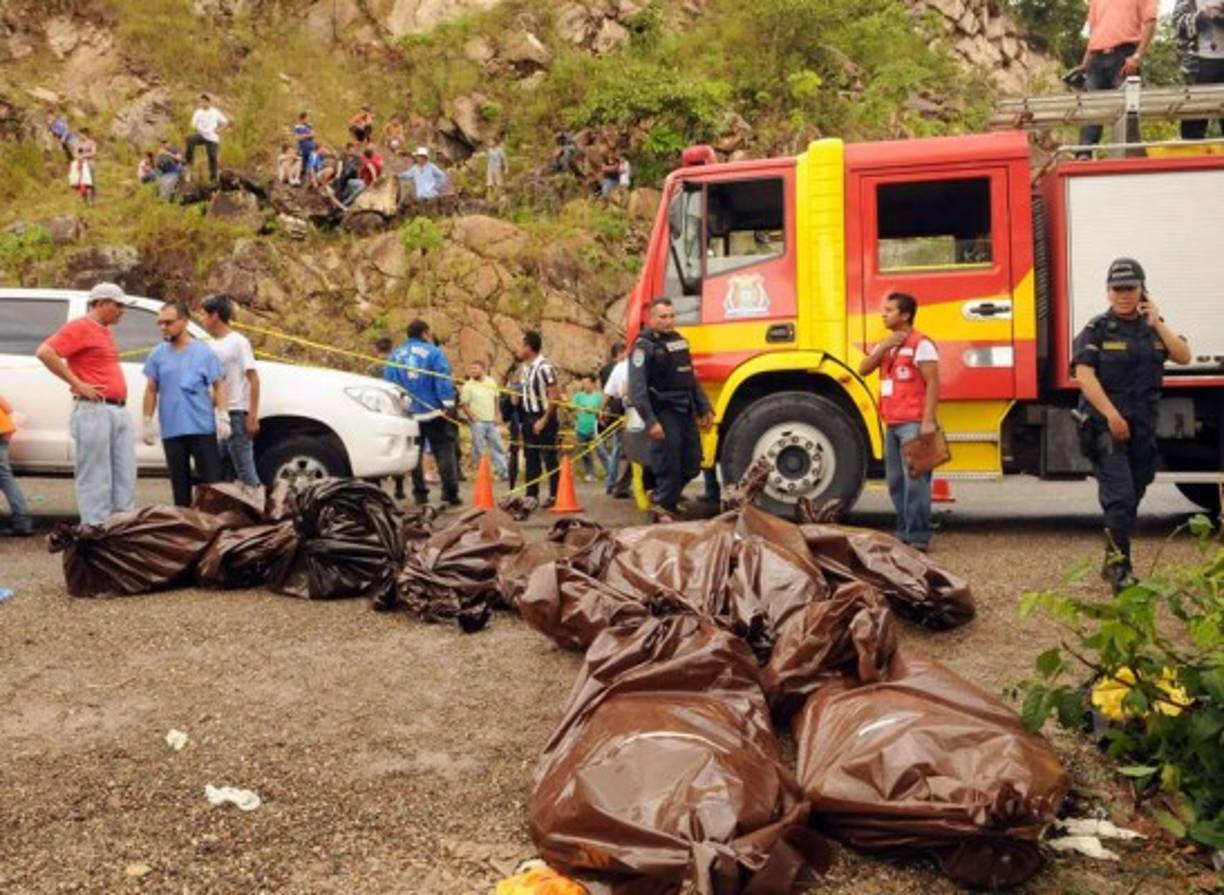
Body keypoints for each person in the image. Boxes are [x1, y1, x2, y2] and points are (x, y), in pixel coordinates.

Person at [1071, 258, 1192, 593]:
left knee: (1136, 490)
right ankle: (1120, 569)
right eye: (1117, 288)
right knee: (1120, 498)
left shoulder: (1154, 328)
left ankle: (1112, 557)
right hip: (1106, 426)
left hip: (1142, 426)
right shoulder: (1096, 330)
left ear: (1142, 291)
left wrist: (1158, 321)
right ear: (1108, 292)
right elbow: (1084, 376)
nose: (1123, 294)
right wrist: (1111, 415)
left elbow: (1184, 356)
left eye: (1130, 288)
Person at [35, 282, 137, 526]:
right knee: (96, 474)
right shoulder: (80, 327)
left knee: (124, 473)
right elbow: (45, 352)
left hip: (116, 408)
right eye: (119, 305)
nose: (122, 311)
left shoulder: (104, 330)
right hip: (95, 409)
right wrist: (78, 383)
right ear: (101, 304)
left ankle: (121, 526)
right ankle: (95, 529)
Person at [858, 292, 940, 552]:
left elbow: (933, 383)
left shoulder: (921, 344)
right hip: (892, 421)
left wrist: (928, 420)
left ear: (905, 315)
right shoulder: (887, 345)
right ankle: (904, 531)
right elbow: (863, 368)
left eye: (890, 310)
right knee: (895, 480)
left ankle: (918, 536)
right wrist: (883, 347)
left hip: (914, 422)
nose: (884, 314)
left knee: (916, 480)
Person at [627, 298, 714, 513]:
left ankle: (664, 497)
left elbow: (690, 379)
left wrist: (704, 407)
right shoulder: (643, 347)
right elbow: (637, 390)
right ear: (652, 319)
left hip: (686, 409)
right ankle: (663, 506)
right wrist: (651, 421)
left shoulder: (679, 341)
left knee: (693, 463)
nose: (668, 321)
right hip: (664, 412)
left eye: (672, 316)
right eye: (663, 317)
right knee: (669, 464)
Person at [142, 302, 228, 507]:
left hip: (201, 427)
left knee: (212, 485)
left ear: (184, 321)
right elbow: (151, 389)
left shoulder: (203, 352)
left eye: (169, 322)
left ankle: (214, 527)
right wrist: (147, 420)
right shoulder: (158, 354)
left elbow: (219, 385)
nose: (164, 327)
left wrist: (223, 416)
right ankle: (184, 532)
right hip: (172, 430)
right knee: (180, 487)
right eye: (160, 323)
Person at [383, 319, 461, 507]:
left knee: (414, 454)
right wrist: (449, 404)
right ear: (425, 333)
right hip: (434, 410)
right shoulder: (434, 352)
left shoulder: (395, 356)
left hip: (408, 413)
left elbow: (389, 385)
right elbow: (442, 378)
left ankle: (420, 494)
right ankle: (450, 493)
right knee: (444, 450)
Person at [1074, 0, 1157, 149]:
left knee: (1127, 111)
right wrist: (1085, 63)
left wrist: (1137, 57)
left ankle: (1129, 156)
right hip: (1097, 57)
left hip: (1124, 55)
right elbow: (1094, 31)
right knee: (1092, 110)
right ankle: (1084, 153)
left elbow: (1151, 23)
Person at [200, 294, 261, 487]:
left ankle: (261, 510)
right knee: (222, 471)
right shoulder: (210, 344)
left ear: (215, 315)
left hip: (236, 413)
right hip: (219, 415)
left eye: (204, 314)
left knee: (245, 470)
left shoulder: (238, 342)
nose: (202, 319)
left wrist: (252, 415)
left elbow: (254, 379)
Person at [518, 330, 561, 506]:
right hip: (528, 417)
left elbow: (555, 396)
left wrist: (543, 420)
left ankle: (555, 494)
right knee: (531, 457)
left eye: (521, 345)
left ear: (529, 347)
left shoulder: (545, 368)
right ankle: (531, 494)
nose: (519, 349)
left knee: (549, 457)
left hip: (544, 417)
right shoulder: (525, 368)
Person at [1173, 0, 1224, 139]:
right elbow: (1178, 24)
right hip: (1197, 65)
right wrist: (1203, 15)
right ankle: (1192, 157)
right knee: (1193, 120)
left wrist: (1219, 13)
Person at [460, 361, 509, 480]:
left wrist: (497, 414)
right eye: (471, 369)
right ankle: (483, 474)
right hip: (478, 422)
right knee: (479, 448)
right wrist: (473, 417)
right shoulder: (468, 385)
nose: (472, 371)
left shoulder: (491, 382)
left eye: (475, 369)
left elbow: (496, 398)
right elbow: (465, 404)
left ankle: (503, 473)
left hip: (491, 421)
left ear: (482, 369)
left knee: (497, 446)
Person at [599, 342, 631, 498]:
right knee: (624, 450)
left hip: (617, 409)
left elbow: (607, 391)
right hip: (626, 409)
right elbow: (624, 389)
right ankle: (618, 485)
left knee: (619, 449)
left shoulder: (614, 368)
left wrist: (602, 409)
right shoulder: (626, 366)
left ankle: (614, 484)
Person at [0, 393, 33, 536]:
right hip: (3, 427)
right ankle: (22, 521)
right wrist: (11, 415)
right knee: (4, 477)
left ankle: (22, 522)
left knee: (4, 477)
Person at [185, 93, 229, 183]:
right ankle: (189, 164)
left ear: (208, 102)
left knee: (212, 157)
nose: (202, 104)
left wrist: (219, 130)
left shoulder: (215, 112)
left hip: (212, 137)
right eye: (201, 102)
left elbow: (225, 122)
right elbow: (192, 125)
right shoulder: (198, 112)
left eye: (204, 102)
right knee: (190, 139)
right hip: (201, 135)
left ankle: (213, 179)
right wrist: (196, 128)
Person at [572, 374, 603, 482]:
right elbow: (571, 408)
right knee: (585, 454)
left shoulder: (599, 396)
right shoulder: (578, 396)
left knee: (601, 451)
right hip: (581, 428)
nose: (585, 385)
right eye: (583, 383)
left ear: (593, 383)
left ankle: (610, 473)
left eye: (587, 383)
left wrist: (595, 412)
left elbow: (601, 411)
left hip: (594, 428)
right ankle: (590, 474)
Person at [500, 362, 524, 490]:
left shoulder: (526, 386)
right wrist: (512, 400)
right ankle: (512, 485)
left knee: (531, 454)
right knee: (513, 453)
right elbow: (505, 412)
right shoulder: (508, 389)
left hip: (527, 421)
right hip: (514, 423)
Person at [70, 128, 96, 204]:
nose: (80, 136)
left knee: (91, 182)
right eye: (79, 134)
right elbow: (75, 153)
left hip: (90, 163)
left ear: (86, 134)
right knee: (82, 182)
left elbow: (93, 153)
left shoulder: (91, 142)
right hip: (81, 164)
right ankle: (84, 199)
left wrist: (83, 156)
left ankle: (93, 199)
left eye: (81, 134)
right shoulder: (78, 143)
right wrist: (78, 158)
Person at [293, 112, 316, 184]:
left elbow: (313, 134)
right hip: (302, 147)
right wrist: (307, 135)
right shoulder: (297, 127)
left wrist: (304, 136)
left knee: (311, 163)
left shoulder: (309, 126)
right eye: (307, 118)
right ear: (302, 118)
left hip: (311, 147)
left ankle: (309, 179)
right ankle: (299, 178)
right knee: (302, 163)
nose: (308, 119)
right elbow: (298, 138)